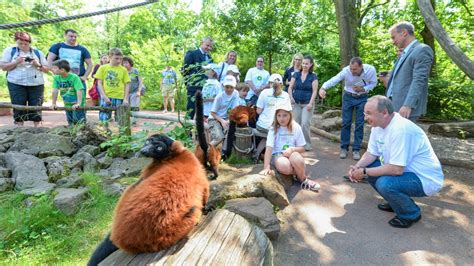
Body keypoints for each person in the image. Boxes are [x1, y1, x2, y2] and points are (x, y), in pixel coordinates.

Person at [348, 95, 444, 228]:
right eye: (365, 113)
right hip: (406, 173)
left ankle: (411, 213)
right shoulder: (377, 126)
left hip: (424, 179)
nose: (365, 118)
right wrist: (357, 167)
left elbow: (396, 169)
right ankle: (396, 202)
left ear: (384, 113)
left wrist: (364, 172)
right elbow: (371, 153)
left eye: (369, 113)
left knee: (385, 183)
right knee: (370, 167)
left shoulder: (401, 130)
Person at [319, 57, 377, 159]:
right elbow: (335, 79)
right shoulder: (346, 71)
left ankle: (356, 149)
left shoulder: (370, 70)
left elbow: (374, 83)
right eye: (351, 68)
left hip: (362, 98)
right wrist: (323, 87)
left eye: (354, 69)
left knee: (359, 124)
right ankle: (344, 148)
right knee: (346, 123)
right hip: (348, 97)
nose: (352, 71)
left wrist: (364, 88)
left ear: (361, 67)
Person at [259, 105, 320, 191]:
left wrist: (292, 149)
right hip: (278, 155)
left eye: (285, 115)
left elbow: (302, 148)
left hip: (292, 153)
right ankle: (301, 173)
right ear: (276, 117)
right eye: (279, 116)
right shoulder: (273, 128)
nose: (281, 119)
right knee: (284, 166)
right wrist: (266, 167)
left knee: (297, 159)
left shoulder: (296, 127)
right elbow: (269, 148)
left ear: (290, 115)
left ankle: (303, 179)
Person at [386, 21, 434, 122]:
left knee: (404, 137)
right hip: (393, 105)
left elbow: (419, 80)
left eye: (393, 37)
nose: (393, 42)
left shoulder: (422, 49)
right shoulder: (404, 52)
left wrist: (408, 105)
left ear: (404, 33)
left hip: (405, 109)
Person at [0, 32, 48, 127]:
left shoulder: (37, 52)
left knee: (36, 106)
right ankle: (19, 128)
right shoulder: (10, 51)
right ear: (16, 42)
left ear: (30, 42)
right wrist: (16, 62)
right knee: (18, 105)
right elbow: (3, 67)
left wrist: (37, 64)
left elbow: (47, 70)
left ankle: (37, 129)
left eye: (25, 43)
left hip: (36, 83)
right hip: (16, 82)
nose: (23, 45)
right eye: (20, 43)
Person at [288, 55, 319, 151]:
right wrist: (291, 97)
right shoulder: (296, 74)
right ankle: (295, 143)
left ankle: (307, 144)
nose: (305, 65)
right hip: (296, 103)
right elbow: (290, 87)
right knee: (295, 123)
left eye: (307, 64)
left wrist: (311, 103)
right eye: (303, 63)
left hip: (307, 104)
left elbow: (314, 91)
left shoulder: (313, 76)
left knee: (305, 123)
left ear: (311, 65)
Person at [95, 48, 130, 122]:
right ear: (110, 57)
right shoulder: (103, 68)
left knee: (121, 119)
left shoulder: (123, 70)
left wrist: (126, 98)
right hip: (107, 96)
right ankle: (105, 132)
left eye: (121, 59)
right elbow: (99, 83)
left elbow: (127, 84)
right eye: (116, 58)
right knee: (104, 118)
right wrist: (104, 96)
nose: (119, 61)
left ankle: (121, 133)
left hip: (119, 97)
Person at [182, 37, 214, 119]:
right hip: (193, 87)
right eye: (207, 45)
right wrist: (188, 84)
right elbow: (184, 70)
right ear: (201, 43)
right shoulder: (192, 54)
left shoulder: (210, 58)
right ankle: (187, 130)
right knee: (191, 110)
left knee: (201, 112)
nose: (209, 48)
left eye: (211, 46)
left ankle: (198, 131)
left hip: (205, 89)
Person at [51, 59, 86, 125]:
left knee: (79, 121)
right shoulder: (56, 78)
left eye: (54, 68)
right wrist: (53, 103)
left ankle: (81, 134)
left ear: (62, 70)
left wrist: (79, 103)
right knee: (70, 120)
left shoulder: (74, 77)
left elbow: (79, 90)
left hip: (77, 103)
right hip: (67, 103)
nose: (52, 69)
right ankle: (71, 132)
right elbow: (55, 91)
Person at [209, 75, 239, 146]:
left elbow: (235, 109)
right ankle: (205, 151)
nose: (229, 89)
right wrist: (222, 121)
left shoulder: (236, 94)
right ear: (223, 86)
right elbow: (213, 113)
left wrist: (228, 120)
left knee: (230, 133)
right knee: (219, 137)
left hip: (227, 118)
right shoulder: (219, 97)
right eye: (227, 87)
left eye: (231, 87)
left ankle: (224, 153)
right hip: (215, 118)